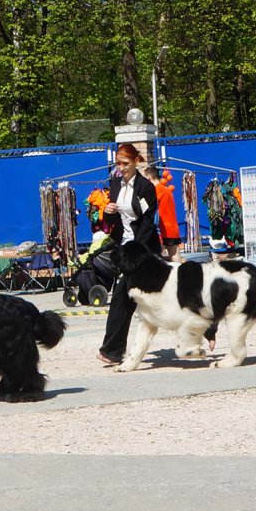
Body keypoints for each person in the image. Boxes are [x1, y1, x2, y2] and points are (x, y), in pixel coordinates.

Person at [97, 144, 160, 365]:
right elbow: (116, 220)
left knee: (125, 296)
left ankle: (112, 350)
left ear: (136, 162)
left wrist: (135, 251)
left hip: (142, 250)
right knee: (124, 297)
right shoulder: (115, 184)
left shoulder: (145, 187)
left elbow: (147, 222)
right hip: (124, 248)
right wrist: (108, 212)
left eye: (125, 163)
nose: (121, 168)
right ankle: (112, 350)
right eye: (118, 163)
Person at [142, 166, 182, 261]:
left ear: (148, 177)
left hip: (164, 228)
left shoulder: (156, 190)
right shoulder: (166, 189)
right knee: (175, 256)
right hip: (172, 227)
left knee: (157, 257)